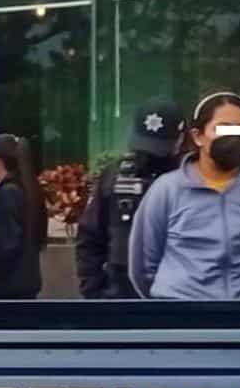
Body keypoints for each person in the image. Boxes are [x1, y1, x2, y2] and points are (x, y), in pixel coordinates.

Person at [128, 91, 240, 299]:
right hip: (186, 316)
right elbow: (143, 266)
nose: (233, 137)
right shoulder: (166, 191)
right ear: (198, 136)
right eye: (222, 129)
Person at [76, 96, 185, 298]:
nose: (151, 156)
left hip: (176, 296)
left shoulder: (189, 180)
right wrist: (94, 293)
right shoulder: (114, 176)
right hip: (120, 297)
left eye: (159, 149)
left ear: (180, 140)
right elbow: (89, 237)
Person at [0, 134, 48, 299]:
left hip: (10, 282)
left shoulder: (9, 191)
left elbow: (8, 242)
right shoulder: (28, 188)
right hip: (27, 278)